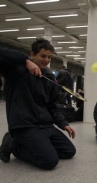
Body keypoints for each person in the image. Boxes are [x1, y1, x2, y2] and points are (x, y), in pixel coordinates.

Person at [0, 38, 76, 170]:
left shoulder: (49, 78)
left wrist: (63, 124)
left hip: (45, 125)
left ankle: (36, 144)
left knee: (69, 151)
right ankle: (12, 144)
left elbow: (52, 106)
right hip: (25, 125)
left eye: (49, 57)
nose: (46, 60)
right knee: (49, 161)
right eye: (43, 56)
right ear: (33, 54)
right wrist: (25, 60)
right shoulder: (16, 70)